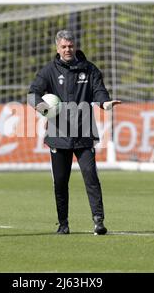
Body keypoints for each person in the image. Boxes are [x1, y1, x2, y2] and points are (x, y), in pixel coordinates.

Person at [28, 29, 121, 235]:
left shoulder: (89, 69)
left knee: (91, 176)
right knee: (60, 182)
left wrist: (105, 103)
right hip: (58, 135)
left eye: (70, 46)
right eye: (63, 46)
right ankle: (63, 223)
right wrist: (43, 108)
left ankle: (98, 221)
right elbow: (33, 93)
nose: (67, 49)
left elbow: (99, 91)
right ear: (57, 48)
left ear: (75, 46)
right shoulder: (48, 71)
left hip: (84, 133)